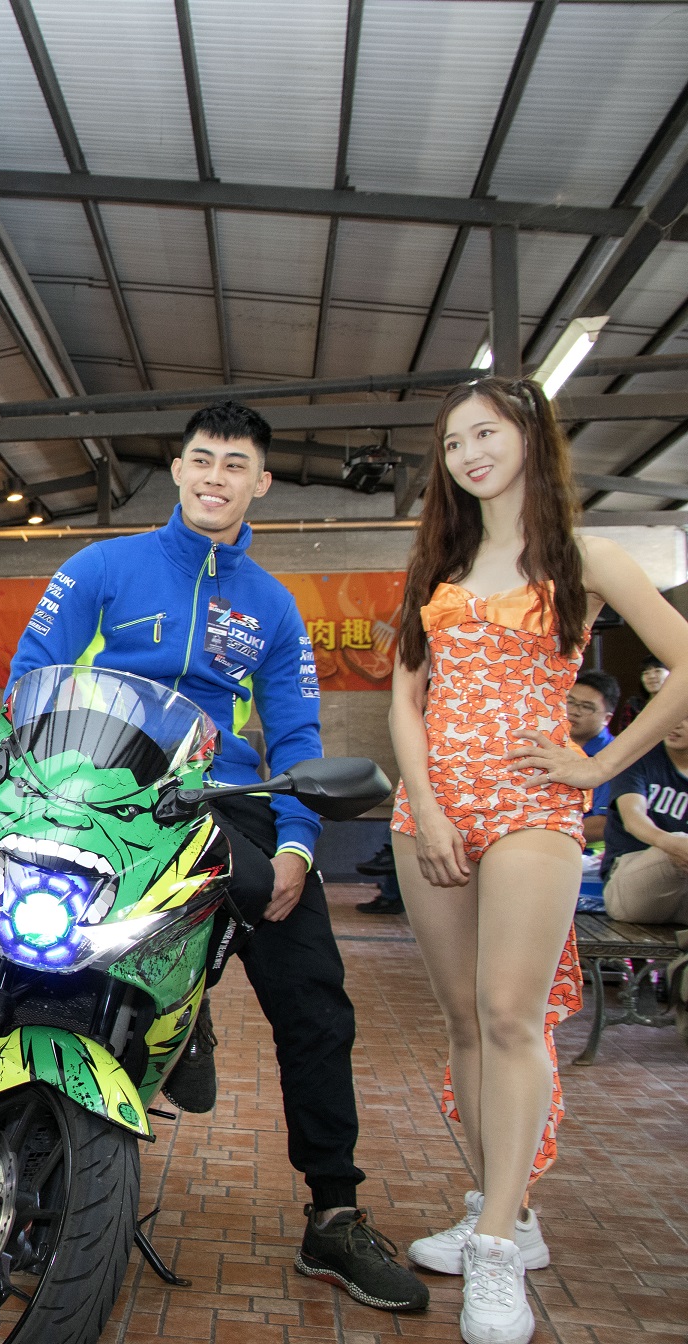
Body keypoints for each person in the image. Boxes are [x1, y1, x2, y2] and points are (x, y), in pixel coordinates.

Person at [12, 400, 426, 1311]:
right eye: (202, 459)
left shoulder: (272, 605)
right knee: (24, 953)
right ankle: (17, 1166)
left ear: (261, 483)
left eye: (235, 465)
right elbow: (32, 676)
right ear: (178, 469)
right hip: (99, 793)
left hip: (220, 804)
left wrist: (300, 846)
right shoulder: (100, 567)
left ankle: (334, 1213)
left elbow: (298, 736)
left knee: (314, 997)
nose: (215, 477)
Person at [389, 376, 688, 1344]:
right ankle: (501, 1209)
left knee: (512, 1016)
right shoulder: (438, 560)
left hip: (531, 805)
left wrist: (599, 764)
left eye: (486, 433)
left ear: (530, 437)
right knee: (465, 1021)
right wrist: (426, 804)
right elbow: (405, 700)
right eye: (453, 442)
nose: (469, 454)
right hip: (430, 812)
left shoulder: (585, 556)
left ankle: (495, 1253)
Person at [597, 716, 688, 924]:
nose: (676, 723)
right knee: (678, 845)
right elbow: (633, 818)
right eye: (675, 714)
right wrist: (672, 844)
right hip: (629, 884)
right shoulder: (638, 756)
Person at [566, 672, 617, 844]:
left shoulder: (613, 755)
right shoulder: (549, 742)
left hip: (590, 852)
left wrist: (546, 832)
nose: (574, 711)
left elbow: (603, 824)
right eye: (570, 702)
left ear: (607, 718)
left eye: (586, 707)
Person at [609, 654, 665, 734]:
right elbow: (626, 735)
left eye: (657, 671)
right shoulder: (634, 705)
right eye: (646, 673)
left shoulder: (680, 704)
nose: (651, 676)